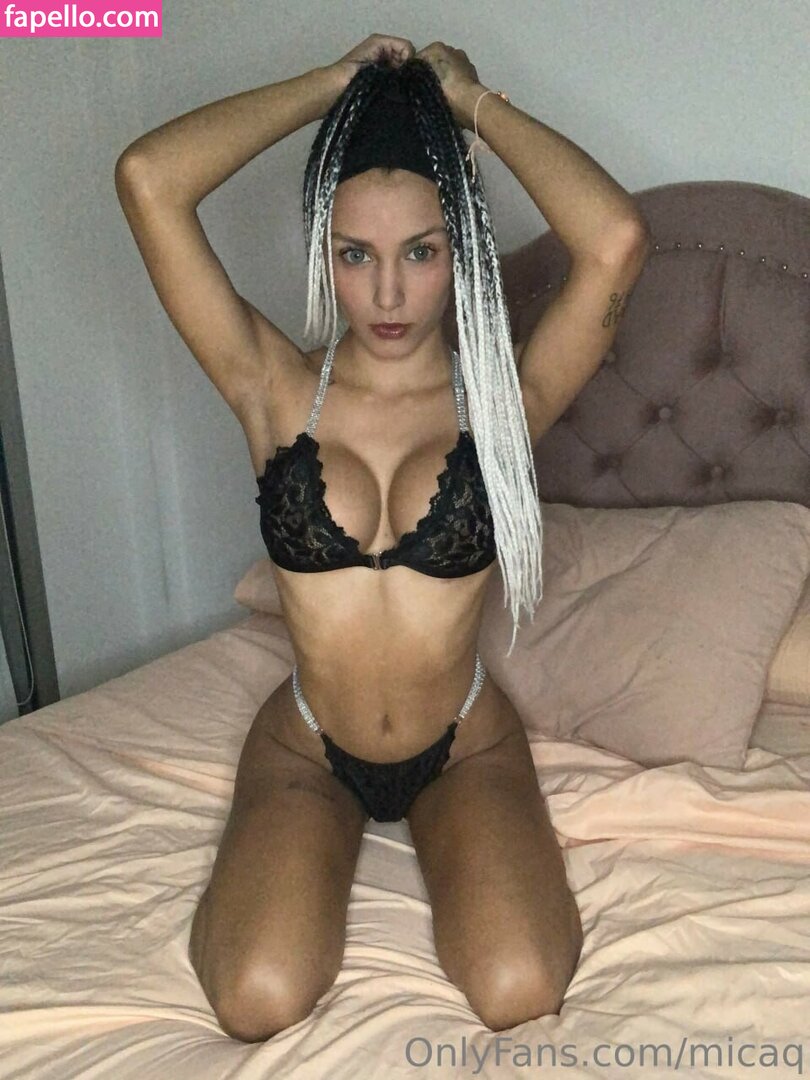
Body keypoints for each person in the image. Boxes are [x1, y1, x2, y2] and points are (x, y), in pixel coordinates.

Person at [115, 33, 650, 1041]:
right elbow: (148, 180)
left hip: (463, 744)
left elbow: (616, 239)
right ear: (323, 250)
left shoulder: (505, 402)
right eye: (355, 255)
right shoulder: (271, 387)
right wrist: (335, 86)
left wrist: (468, 102)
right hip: (310, 743)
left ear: (464, 249)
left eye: (422, 251)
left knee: (520, 989)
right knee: (256, 996)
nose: (390, 295)